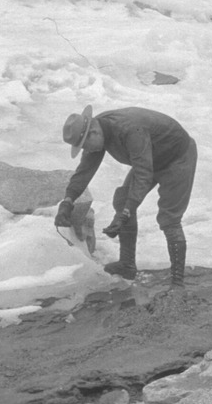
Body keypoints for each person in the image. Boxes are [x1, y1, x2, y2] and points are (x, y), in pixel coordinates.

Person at [55, 105, 197, 285]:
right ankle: (127, 264)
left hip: (178, 158)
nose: (87, 151)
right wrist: (67, 201)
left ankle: (177, 284)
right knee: (123, 200)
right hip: (150, 158)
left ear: (93, 132)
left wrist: (127, 212)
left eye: (85, 146)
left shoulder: (130, 130)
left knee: (169, 218)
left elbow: (144, 174)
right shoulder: (97, 130)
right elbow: (84, 171)